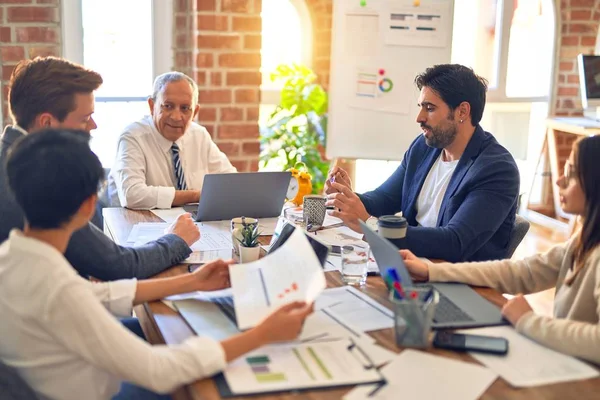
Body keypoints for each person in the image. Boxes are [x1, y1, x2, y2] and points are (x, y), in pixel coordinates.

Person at [0, 129, 314, 400]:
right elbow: (159, 371)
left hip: (55, 377)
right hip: (99, 392)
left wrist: (191, 282)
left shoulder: (14, 257)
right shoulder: (58, 288)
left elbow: (98, 296)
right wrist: (263, 334)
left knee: (186, 328)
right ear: (88, 206)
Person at [401, 135, 600, 364]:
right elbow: (520, 273)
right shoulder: (582, 242)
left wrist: (527, 320)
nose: (560, 181)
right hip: (569, 364)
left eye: (572, 174)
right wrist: (431, 271)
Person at [0, 56, 199, 280]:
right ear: (47, 123)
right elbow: (120, 266)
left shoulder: (11, 157)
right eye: (85, 118)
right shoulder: (36, 181)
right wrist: (176, 240)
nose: (93, 126)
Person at [325, 64, 519, 262]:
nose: (420, 118)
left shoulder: (496, 169)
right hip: (410, 264)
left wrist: (370, 224)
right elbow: (384, 199)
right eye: (421, 107)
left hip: (456, 279)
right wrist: (346, 198)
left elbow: (455, 242)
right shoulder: (425, 147)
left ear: (462, 112)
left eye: (430, 108)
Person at [107, 71, 236, 210]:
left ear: (195, 112)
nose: (176, 116)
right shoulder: (133, 136)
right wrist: (195, 196)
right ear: (152, 106)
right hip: (137, 225)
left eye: (185, 108)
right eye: (168, 106)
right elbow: (132, 195)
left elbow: (231, 182)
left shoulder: (199, 135)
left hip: (192, 225)